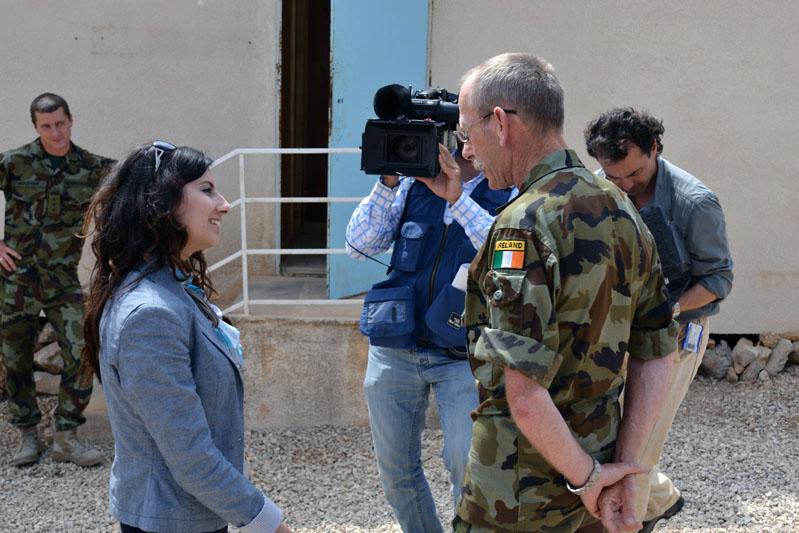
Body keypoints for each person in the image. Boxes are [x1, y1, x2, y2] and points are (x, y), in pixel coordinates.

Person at [450, 52, 679, 533]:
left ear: (500, 123)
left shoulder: (522, 224)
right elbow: (657, 351)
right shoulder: (624, 209)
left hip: (518, 497)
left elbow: (524, 395)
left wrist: (589, 479)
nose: (467, 151)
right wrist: (621, 472)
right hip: (596, 486)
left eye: (467, 133)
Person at [81, 141, 291, 533]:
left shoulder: (171, 288)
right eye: (207, 190)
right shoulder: (151, 315)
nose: (224, 205)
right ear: (163, 203)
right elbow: (188, 454)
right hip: (172, 520)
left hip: (189, 513)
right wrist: (266, 521)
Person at [346, 145, 514, 532]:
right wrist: (388, 181)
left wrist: (457, 198)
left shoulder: (510, 189)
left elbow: (502, 254)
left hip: (463, 354)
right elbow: (358, 245)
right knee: (396, 471)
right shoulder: (409, 185)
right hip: (395, 348)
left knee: (466, 464)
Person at [584, 107, 734, 531]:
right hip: (616, 332)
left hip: (677, 332)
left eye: (634, 173)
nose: (625, 185)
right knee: (606, 434)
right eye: (614, 177)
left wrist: (667, 310)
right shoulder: (599, 187)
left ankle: (632, 518)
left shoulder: (695, 202)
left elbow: (718, 279)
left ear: (655, 148)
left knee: (640, 440)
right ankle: (661, 498)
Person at [0, 93, 114, 467]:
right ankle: (27, 434)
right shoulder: (14, 162)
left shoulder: (92, 167)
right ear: (36, 127)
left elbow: (134, 179)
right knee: (15, 360)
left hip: (62, 281)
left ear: (71, 120)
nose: (55, 132)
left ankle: (66, 435)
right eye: (46, 126)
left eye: (60, 123)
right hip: (16, 281)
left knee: (82, 352)